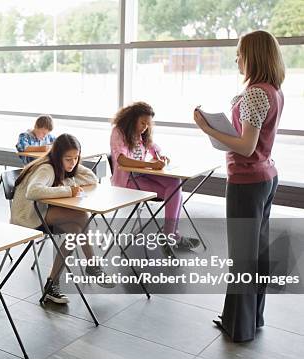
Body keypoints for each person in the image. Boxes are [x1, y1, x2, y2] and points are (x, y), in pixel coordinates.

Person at [193, 30, 284, 342]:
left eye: (240, 53)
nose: (237, 59)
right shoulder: (273, 90)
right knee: (254, 253)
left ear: (254, 56)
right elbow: (251, 141)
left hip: (248, 180)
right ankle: (251, 319)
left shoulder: (256, 93)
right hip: (266, 176)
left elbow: (245, 147)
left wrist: (207, 127)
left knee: (242, 256)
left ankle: (239, 327)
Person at [10, 133, 113, 305]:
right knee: (82, 215)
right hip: (28, 217)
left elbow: (92, 178)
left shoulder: (63, 165)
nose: (72, 163)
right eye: (68, 159)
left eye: (76, 157)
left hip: (44, 212)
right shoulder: (47, 168)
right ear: (57, 157)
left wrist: (73, 166)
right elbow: (33, 192)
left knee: (75, 231)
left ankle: (52, 284)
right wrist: (68, 190)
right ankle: (93, 265)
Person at [110, 101, 200, 251]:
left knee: (175, 184)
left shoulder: (143, 134)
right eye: (142, 123)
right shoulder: (118, 132)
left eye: (148, 124)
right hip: (127, 182)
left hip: (142, 176)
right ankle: (172, 236)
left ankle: (169, 235)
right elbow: (121, 160)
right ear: (132, 119)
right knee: (174, 193)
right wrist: (151, 165)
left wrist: (162, 157)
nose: (145, 127)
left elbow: (156, 150)